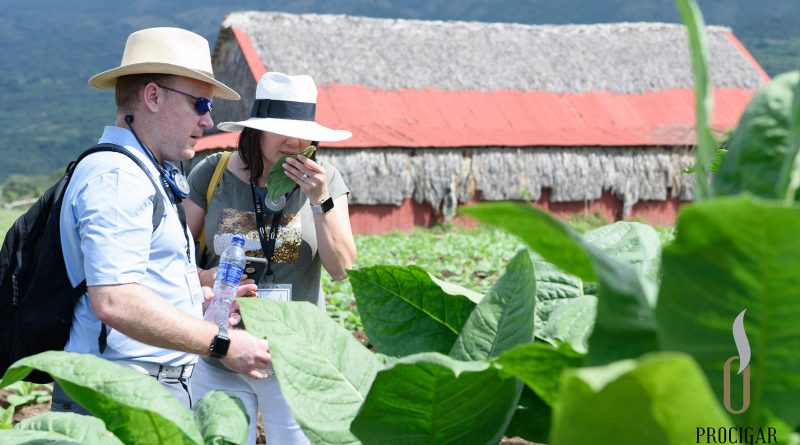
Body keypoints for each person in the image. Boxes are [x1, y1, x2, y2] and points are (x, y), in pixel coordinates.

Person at [52, 27, 273, 415]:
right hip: (121, 394)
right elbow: (116, 301)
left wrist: (193, 300)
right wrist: (221, 342)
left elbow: (136, 281)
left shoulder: (146, 173)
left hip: (139, 387)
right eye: (201, 104)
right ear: (153, 96)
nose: (208, 121)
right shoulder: (120, 179)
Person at [184, 72, 357, 445]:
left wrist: (320, 200)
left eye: (302, 131)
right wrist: (204, 279)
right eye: (280, 129)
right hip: (221, 352)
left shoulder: (327, 181)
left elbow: (342, 268)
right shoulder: (211, 173)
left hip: (296, 357)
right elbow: (172, 256)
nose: (293, 140)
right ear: (256, 131)